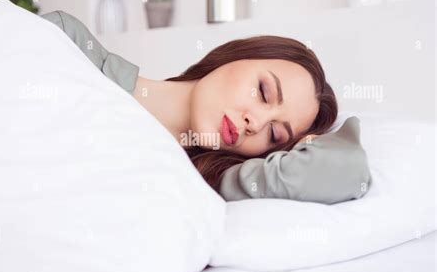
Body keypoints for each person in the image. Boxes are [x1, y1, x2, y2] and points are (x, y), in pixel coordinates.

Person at [41, 10, 372, 204]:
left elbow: (347, 171)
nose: (254, 123)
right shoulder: (67, 42)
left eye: (274, 133)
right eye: (263, 91)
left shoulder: (211, 184)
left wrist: (309, 141)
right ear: (235, 55)